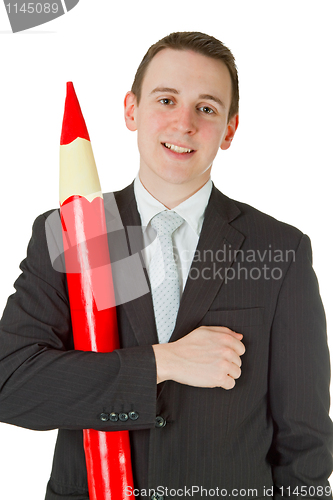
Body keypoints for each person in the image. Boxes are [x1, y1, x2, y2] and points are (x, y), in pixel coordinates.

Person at [0, 31, 332, 500]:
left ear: (230, 129)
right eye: (167, 99)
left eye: (207, 108)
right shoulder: (73, 231)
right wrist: (163, 362)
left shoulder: (281, 249)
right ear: (131, 110)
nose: (184, 124)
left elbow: (306, 443)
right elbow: (11, 383)